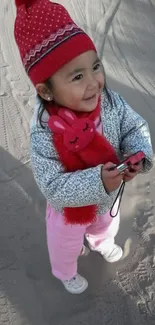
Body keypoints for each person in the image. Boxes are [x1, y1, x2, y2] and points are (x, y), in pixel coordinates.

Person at [14, 0, 153, 294]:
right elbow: (51, 185)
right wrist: (96, 181)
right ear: (45, 91)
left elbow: (134, 126)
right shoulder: (44, 131)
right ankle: (65, 271)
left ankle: (101, 242)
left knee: (106, 226)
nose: (94, 83)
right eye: (77, 76)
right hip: (70, 210)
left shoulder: (110, 103)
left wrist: (138, 154)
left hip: (108, 197)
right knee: (65, 243)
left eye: (95, 66)